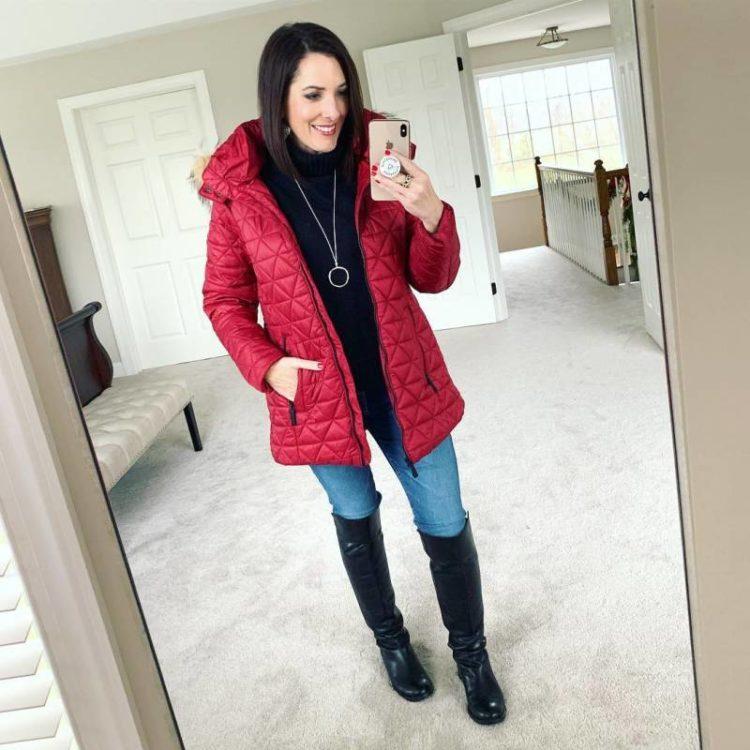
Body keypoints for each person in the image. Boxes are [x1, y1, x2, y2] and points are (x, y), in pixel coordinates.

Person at [192, 21, 506, 725]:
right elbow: (223, 300)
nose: (330, 110)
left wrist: (432, 216)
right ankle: (392, 643)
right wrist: (268, 368)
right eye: (312, 94)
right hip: (315, 390)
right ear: (279, 99)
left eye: (339, 92)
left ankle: (472, 656)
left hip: (402, 376)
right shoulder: (239, 191)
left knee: (444, 517)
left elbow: (433, 278)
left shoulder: (379, 159)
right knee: (356, 515)